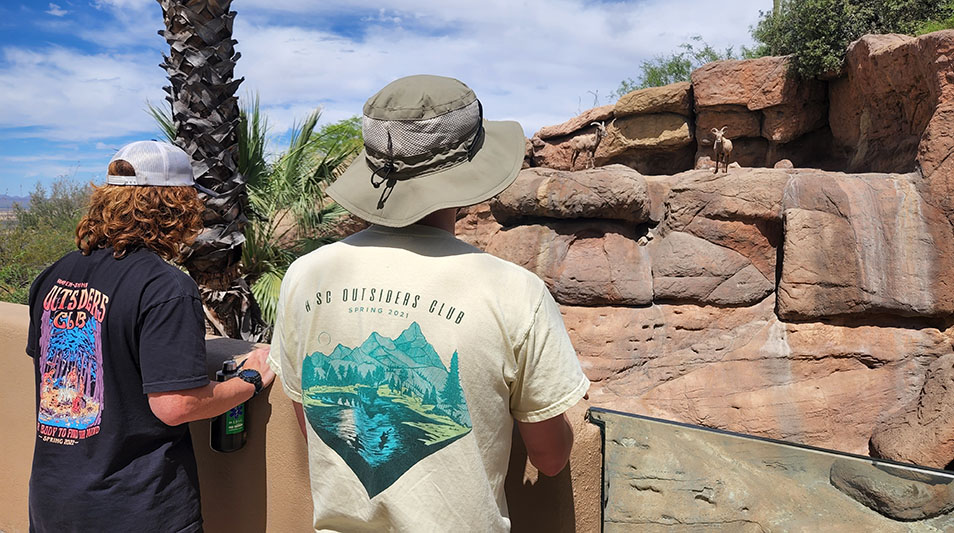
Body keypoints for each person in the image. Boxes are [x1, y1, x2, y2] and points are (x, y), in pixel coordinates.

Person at [268, 75, 590, 531]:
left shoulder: (306, 274)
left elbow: (313, 424)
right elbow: (552, 458)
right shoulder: (514, 291)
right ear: (471, 170)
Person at [25, 141, 275, 532]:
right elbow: (175, 405)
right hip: (135, 508)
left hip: (53, 501)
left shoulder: (55, 274)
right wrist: (251, 380)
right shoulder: (164, 287)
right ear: (178, 206)